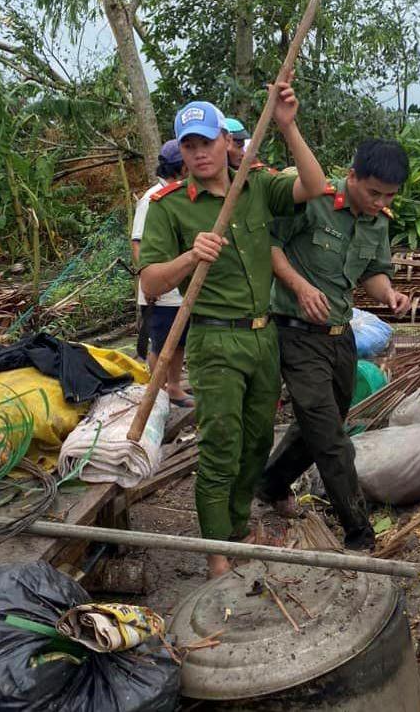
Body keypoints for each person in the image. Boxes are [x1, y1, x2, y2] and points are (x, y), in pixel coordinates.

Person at [139, 86, 326, 578]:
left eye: (207, 141)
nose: (198, 152)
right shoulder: (169, 206)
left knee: (257, 442)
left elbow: (315, 184)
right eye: (189, 145)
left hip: (264, 337)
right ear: (181, 151)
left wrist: (287, 124)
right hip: (214, 339)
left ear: (226, 141)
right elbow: (151, 281)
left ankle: (238, 527)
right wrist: (189, 256)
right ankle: (216, 553)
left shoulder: (258, 187)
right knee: (222, 445)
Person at [257, 140, 412, 551]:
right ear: (353, 176)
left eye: (389, 196)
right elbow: (270, 246)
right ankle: (359, 532)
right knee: (331, 439)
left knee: (318, 426)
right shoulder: (315, 201)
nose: (380, 202)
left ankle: (269, 484)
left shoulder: (378, 224)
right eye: (373, 192)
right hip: (296, 333)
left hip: (340, 337)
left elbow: (373, 275)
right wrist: (300, 286)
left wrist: (390, 295)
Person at [131, 140, 193, 408]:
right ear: (181, 166)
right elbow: (138, 243)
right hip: (162, 292)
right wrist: (151, 282)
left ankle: (175, 388)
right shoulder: (152, 199)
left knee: (178, 342)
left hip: (180, 287)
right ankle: (158, 394)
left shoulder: (182, 194)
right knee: (161, 344)